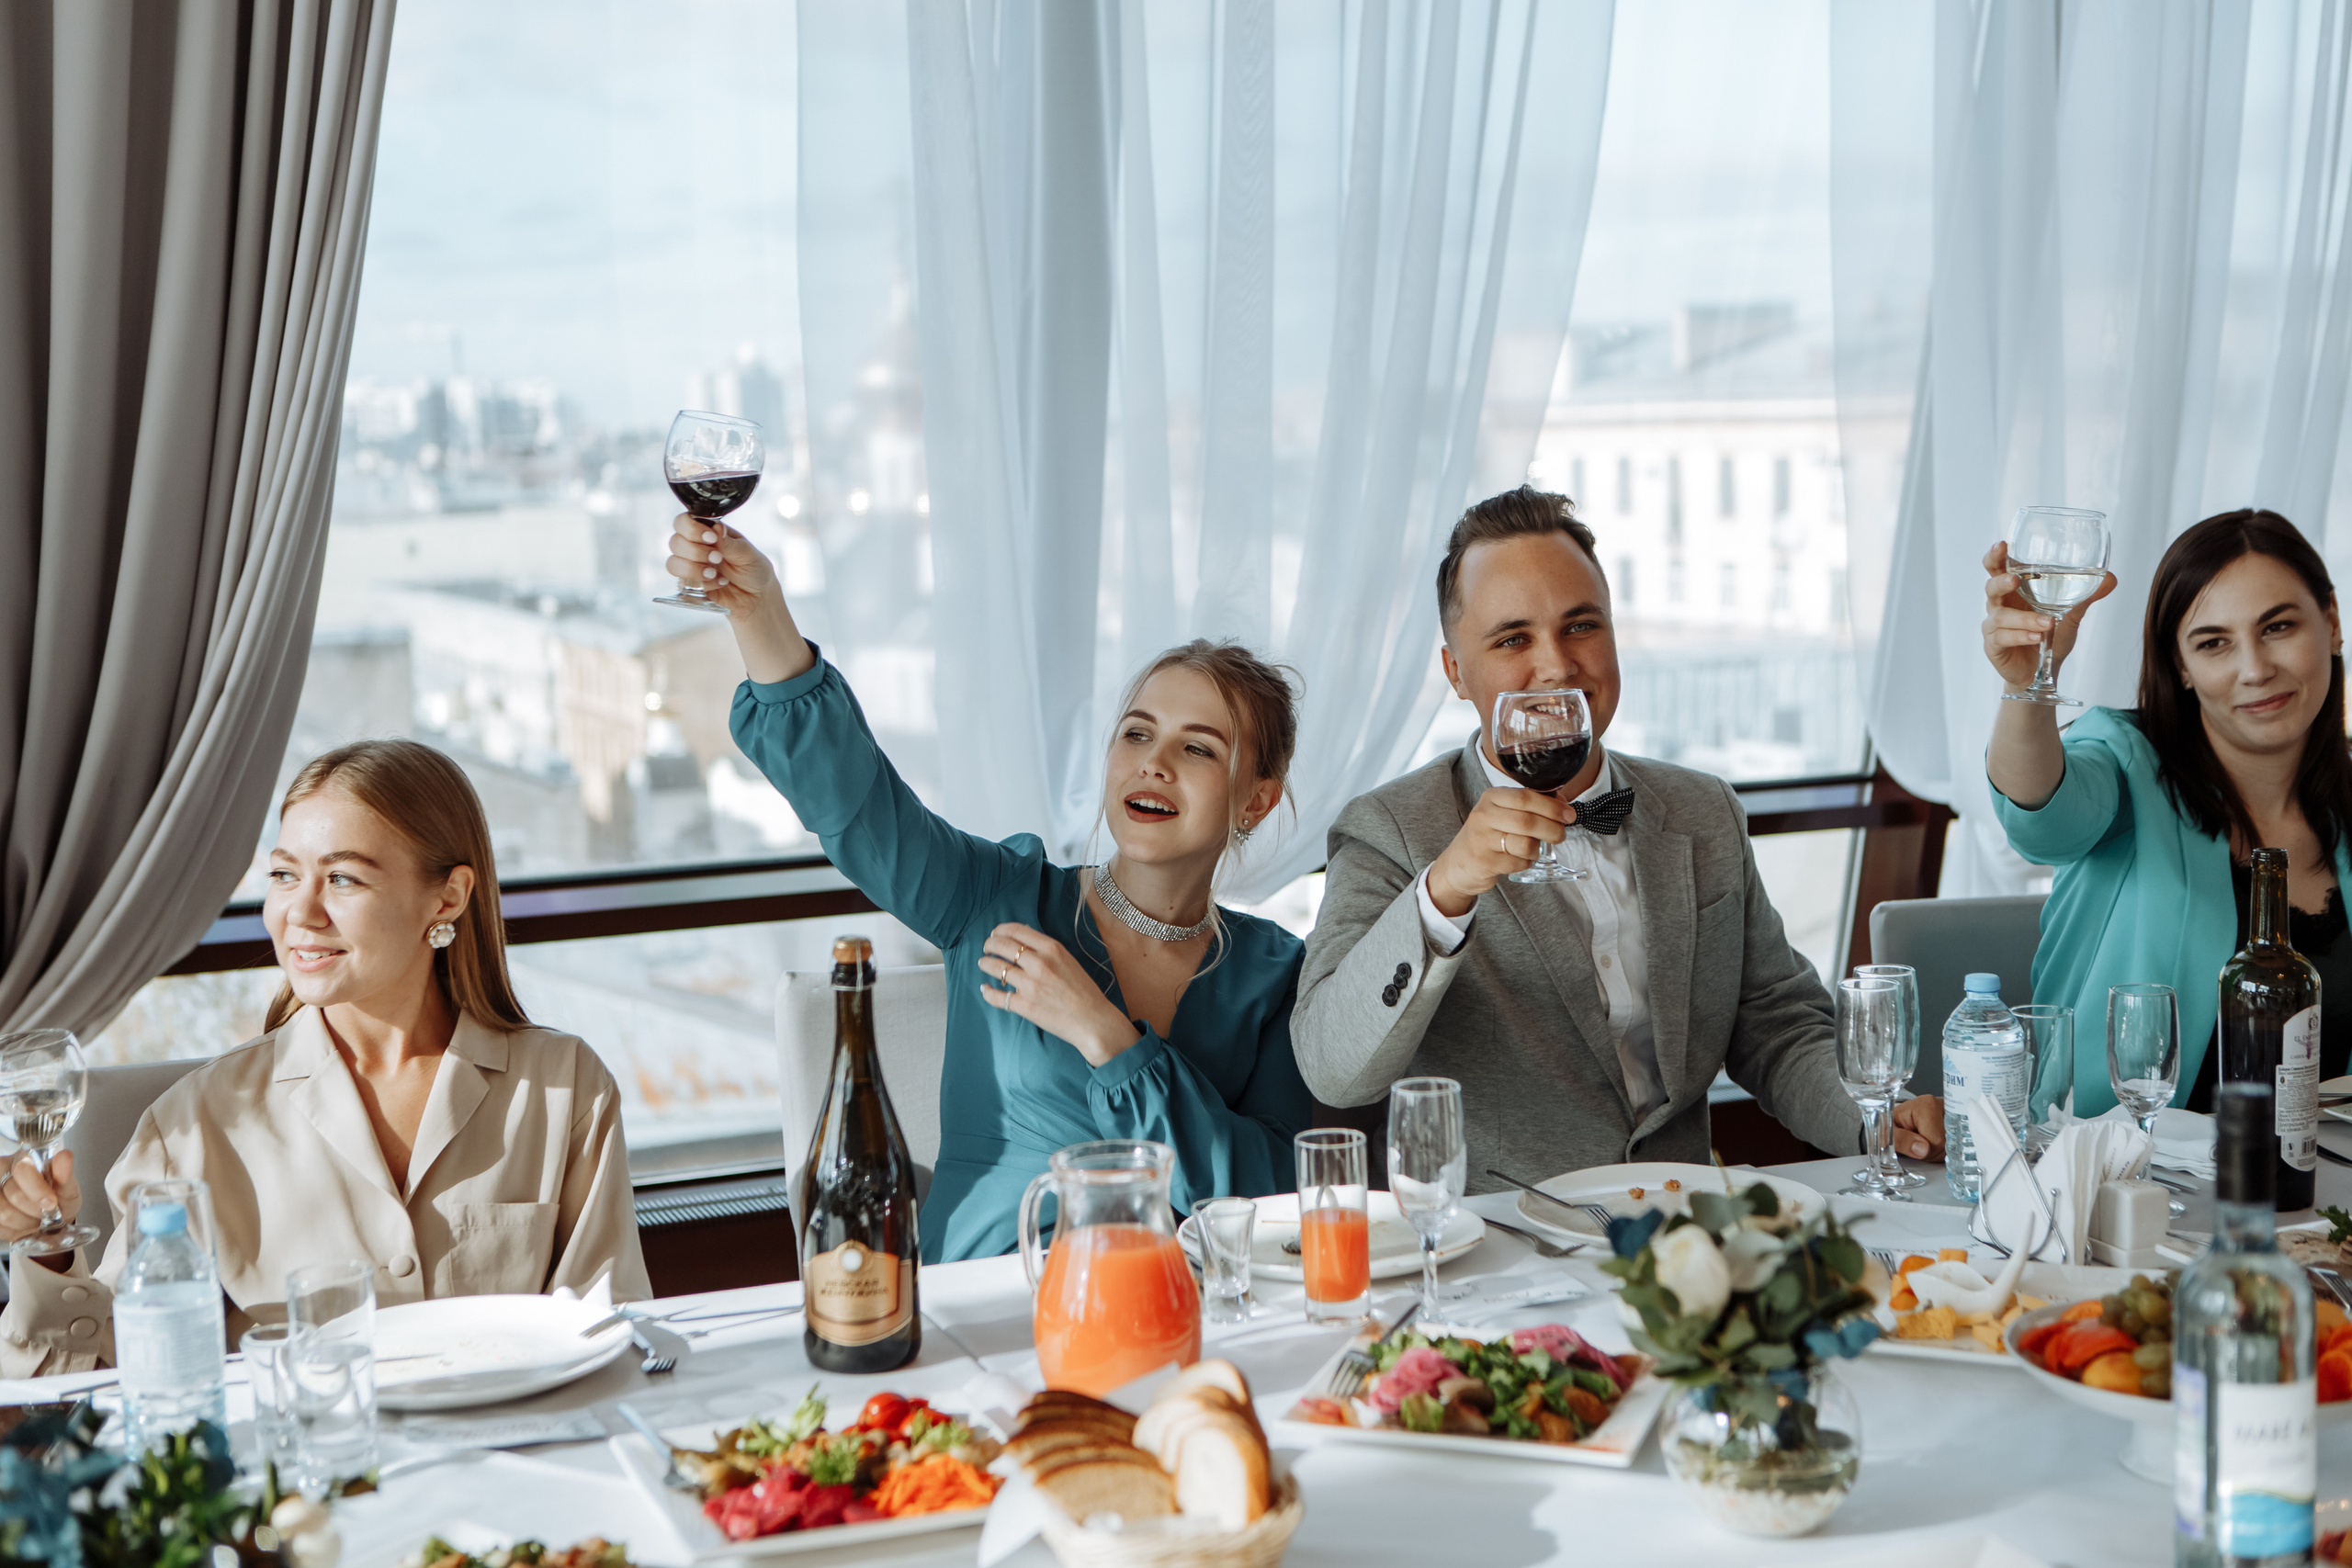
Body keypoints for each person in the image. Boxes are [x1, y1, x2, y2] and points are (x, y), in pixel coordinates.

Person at [670, 514, 1315, 1263]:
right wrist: (760, 612)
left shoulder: (1275, 972)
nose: (1154, 763)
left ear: (1256, 800)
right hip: (990, 1301)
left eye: (1196, 748)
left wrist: (1105, 1035)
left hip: (1174, 1300)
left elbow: (1272, 1193)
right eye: (1137, 733)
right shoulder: (995, 895)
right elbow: (858, 802)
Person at [1294, 486, 1945, 1185]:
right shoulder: (1387, 829)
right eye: (1513, 639)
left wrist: (1878, 1117)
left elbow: (1777, 1026)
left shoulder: (1703, 810)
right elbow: (1333, 1068)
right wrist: (1444, 891)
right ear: (1456, 672)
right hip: (1499, 1235)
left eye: (1580, 626)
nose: (1556, 665)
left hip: (1684, 1219)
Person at [0, 740, 650, 1376]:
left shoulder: (565, 1088)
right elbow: (103, 1379)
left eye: (342, 878)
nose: (300, 913)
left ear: (448, 897)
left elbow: (610, 1331)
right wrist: (48, 1252)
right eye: (284, 875)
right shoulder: (193, 1126)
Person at [1985, 508, 2352, 1111]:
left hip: (2317, 1167)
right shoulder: (2127, 763)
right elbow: (2041, 822)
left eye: (2279, 627)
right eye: (2213, 643)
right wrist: (2028, 686)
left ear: (2331, 622)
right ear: (2181, 665)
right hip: (2124, 1162)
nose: (2255, 669)